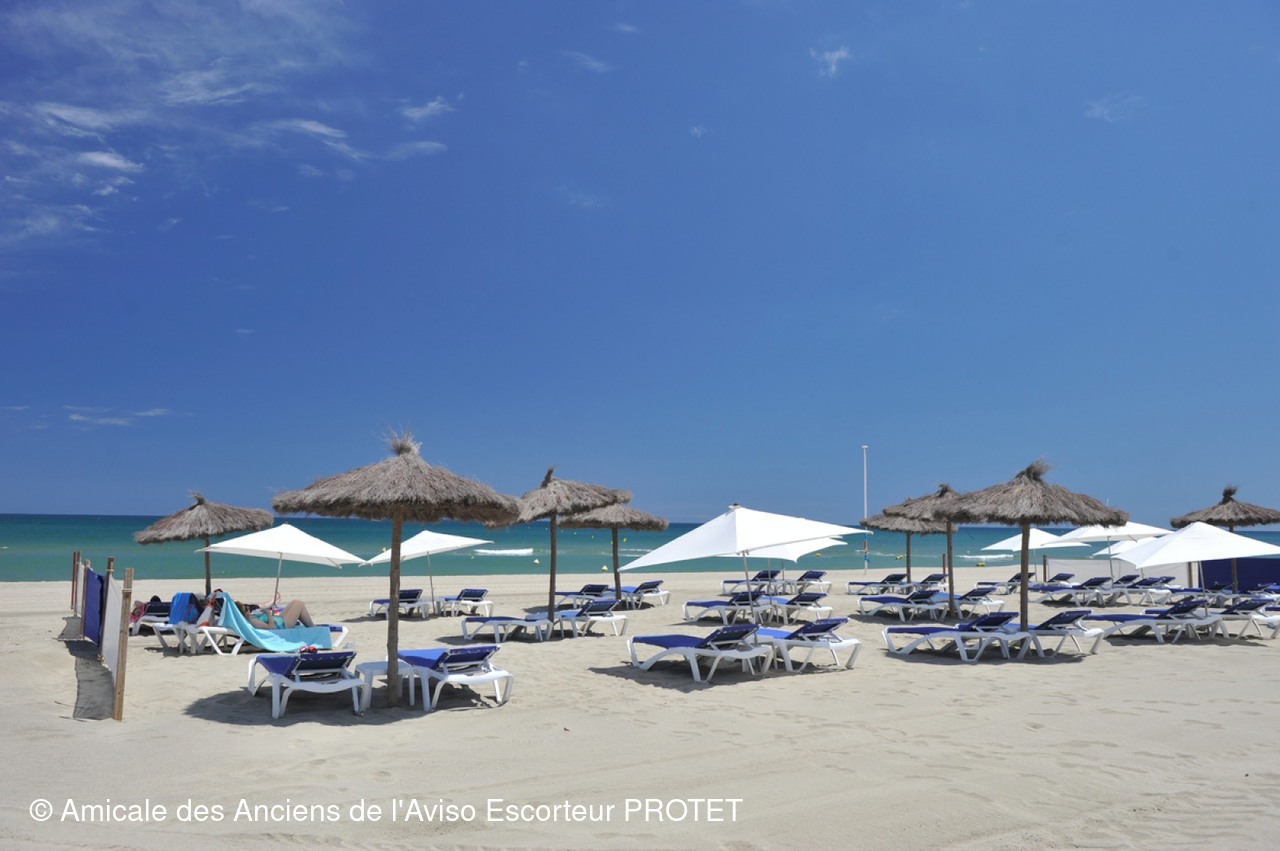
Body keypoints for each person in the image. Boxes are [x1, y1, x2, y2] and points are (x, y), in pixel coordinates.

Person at [247, 599, 315, 629]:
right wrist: (268, 614)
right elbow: (271, 627)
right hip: (282, 626)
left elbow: (260, 606)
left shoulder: (250, 618)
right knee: (299, 604)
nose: (249, 610)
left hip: (279, 621)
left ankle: (310, 626)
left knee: (295, 602)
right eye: (247, 610)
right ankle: (312, 628)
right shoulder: (253, 621)